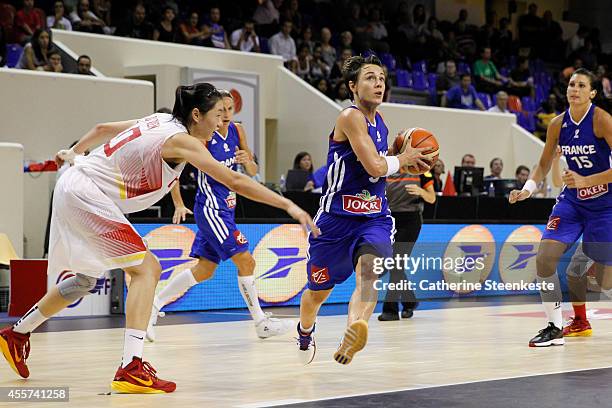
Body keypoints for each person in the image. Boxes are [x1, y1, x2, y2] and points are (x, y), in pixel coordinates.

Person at [0, 83, 317, 392]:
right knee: (146, 269)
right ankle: (130, 368)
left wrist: (73, 152)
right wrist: (288, 203)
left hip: (77, 184)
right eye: (217, 114)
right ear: (196, 115)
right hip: (87, 194)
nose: (221, 121)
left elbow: (101, 127)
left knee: (85, 279)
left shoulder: (160, 119)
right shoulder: (183, 141)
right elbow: (234, 179)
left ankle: (17, 334)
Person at [297, 55, 432, 365]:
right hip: (334, 220)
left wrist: (398, 153)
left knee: (368, 274)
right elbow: (373, 165)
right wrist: (403, 159)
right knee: (317, 293)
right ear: (352, 86)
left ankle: (352, 332)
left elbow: (380, 159)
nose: (379, 83)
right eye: (370, 77)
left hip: (373, 217)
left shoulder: (380, 122)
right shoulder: (350, 117)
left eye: (382, 78)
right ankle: (305, 329)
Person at [146, 89, 292, 341]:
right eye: (220, 110)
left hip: (228, 208)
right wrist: (179, 204)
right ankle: (261, 322)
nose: (225, 115)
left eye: (229, 109)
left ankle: (154, 305)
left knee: (204, 270)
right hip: (211, 209)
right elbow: (175, 173)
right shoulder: (203, 136)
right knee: (247, 261)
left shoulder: (237, 131)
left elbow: (253, 170)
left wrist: (248, 161)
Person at [509, 68, 612, 347]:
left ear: (592, 92)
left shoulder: (602, 121)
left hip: (604, 206)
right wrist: (527, 189)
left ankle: (579, 319)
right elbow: (543, 164)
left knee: (604, 281)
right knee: (544, 259)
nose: (574, 89)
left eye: (581, 85)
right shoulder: (557, 124)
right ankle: (555, 326)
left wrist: (586, 180)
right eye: (570, 84)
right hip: (572, 202)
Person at [378, 164, 436, 321]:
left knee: (397, 265)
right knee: (391, 265)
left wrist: (421, 191)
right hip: (388, 220)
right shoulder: (386, 167)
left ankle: (390, 310)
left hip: (410, 220)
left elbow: (432, 198)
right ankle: (409, 301)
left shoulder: (422, 171)